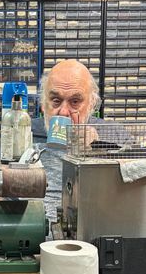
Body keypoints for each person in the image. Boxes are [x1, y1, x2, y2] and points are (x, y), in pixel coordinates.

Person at [37, 59, 100, 232]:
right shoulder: (22, 138)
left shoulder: (111, 139)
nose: (64, 112)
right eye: (56, 100)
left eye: (75, 102)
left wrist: (96, 151)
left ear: (91, 105)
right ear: (43, 104)